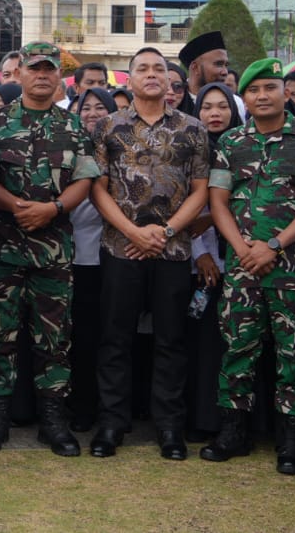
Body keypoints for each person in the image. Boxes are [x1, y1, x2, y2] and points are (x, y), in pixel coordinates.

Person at [0, 43, 99, 457]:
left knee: (55, 338)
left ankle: (53, 420)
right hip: (3, 246)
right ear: (19, 75)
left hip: (54, 251)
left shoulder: (74, 127)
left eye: (50, 69)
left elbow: (85, 179)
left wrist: (54, 208)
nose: (42, 75)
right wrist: (14, 206)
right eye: (34, 68)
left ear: (59, 76)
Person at [89, 46, 209, 461]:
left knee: (171, 340)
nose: (152, 74)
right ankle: (111, 423)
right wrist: (133, 232)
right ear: (129, 78)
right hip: (121, 247)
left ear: (170, 78)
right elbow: (97, 188)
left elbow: (201, 191)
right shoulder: (108, 126)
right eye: (143, 68)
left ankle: (169, 427)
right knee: (115, 338)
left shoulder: (193, 130)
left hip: (174, 249)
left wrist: (168, 230)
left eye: (160, 68)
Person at [203, 58, 295, 475]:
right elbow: (218, 202)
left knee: (293, 352)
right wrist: (243, 248)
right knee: (238, 348)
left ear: (284, 93)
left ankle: (291, 441)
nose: (262, 96)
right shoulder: (232, 143)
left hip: (291, 267)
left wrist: (274, 245)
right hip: (242, 266)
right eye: (254, 90)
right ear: (244, 98)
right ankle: (233, 433)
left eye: (270, 88)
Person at [184, 82, 241, 440]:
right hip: (199, 263)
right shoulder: (191, 149)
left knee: (236, 345)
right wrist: (202, 252)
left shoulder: (243, 147)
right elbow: (188, 208)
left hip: (245, 261)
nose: (215, 114)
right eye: (207, 107)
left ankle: (238, 424)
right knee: (201, 345)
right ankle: (203, 420)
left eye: (222, 106)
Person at [67, 87, 118, 432]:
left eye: (101, 107)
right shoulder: (71, 147)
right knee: (80, 339)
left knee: (111, 339)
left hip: (114, 257)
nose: (93, 113)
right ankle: (81, 407)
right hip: (76, 258)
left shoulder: (121, 149)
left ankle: (111, 410)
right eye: (87, 107)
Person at [179, 31, 230, 99]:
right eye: (218, 64)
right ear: (195, 67)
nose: (225, 72)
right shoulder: (175, 101)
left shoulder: (233, 101)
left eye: (226, 65)